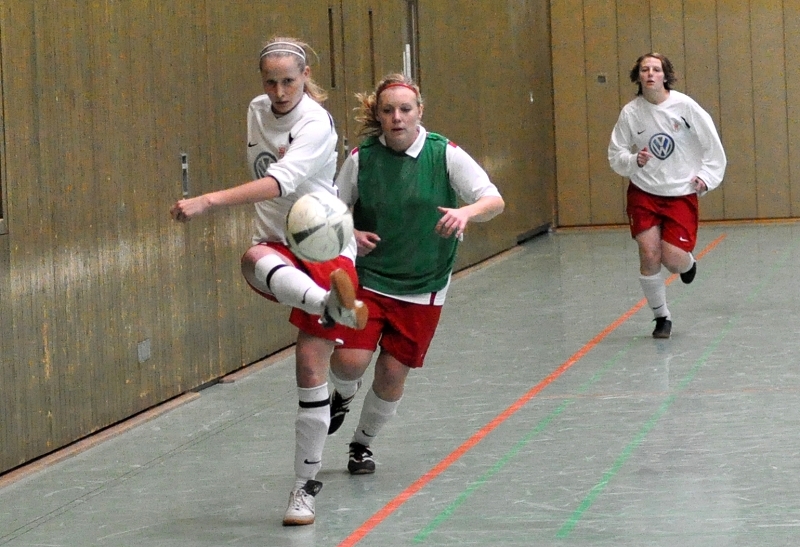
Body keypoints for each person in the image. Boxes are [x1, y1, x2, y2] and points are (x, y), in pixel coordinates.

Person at [169, 36, 368, 527]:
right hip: (277, 243)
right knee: (251, 259)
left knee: (310, 367)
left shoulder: (315, 123)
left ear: (305, 78)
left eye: (289, 82)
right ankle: (326, 302)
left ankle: (304, 488)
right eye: (271, 82)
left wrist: (208, 201)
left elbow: (279, 182)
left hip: (322, 244)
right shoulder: (257, 110)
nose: (279, 92)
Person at [325, 74, 505, 474]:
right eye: (388, 110)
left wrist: (466, 212)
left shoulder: (444, 154)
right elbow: (331, 209)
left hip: (424, 285)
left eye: (405, 109)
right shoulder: (361, 158)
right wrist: (350, 232)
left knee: (391, 374)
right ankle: (343, 394)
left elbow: (493, 199)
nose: (397, 117)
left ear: (419, 112)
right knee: (349, 362)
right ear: (378, 115)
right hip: (369, 278)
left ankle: (362, 444)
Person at [608, 53, 726, 339]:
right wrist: (633, 160)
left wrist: (706, 177)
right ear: (638, 76)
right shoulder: (631, 112)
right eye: (644, 69)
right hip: (644, 192)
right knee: (649, 253)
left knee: (672, 259)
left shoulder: (685, 107)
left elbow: (712, 146)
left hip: (680, 193)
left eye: (656, 69)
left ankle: (688, 263)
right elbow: (616, 153)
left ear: (665, 75)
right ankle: (661, 317)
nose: (650, 74)